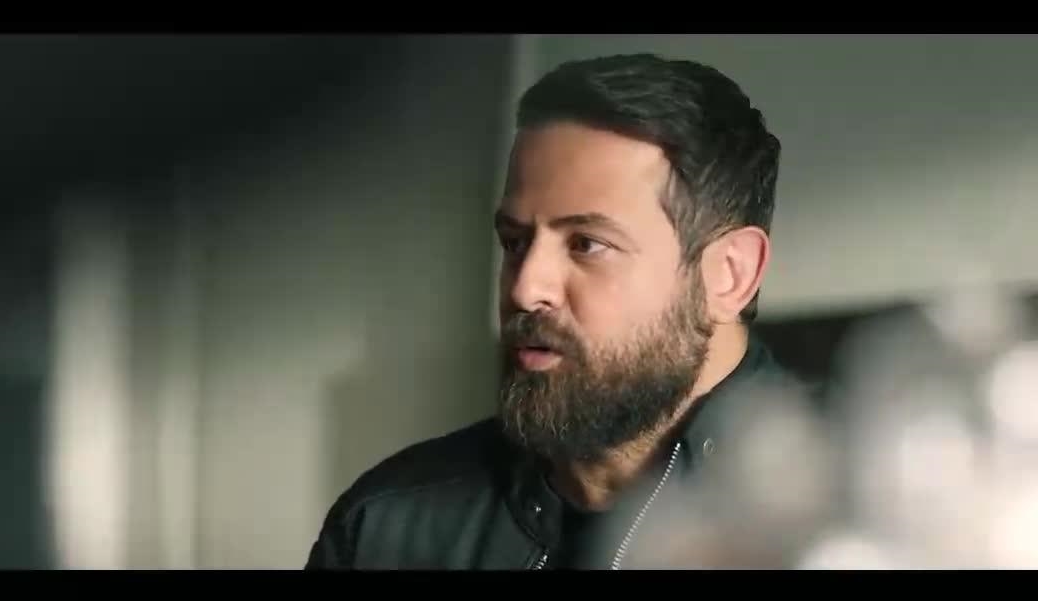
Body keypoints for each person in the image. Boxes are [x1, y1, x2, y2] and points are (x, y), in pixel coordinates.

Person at [305, 52, 824, 570]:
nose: (525, 289)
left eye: (586, 244)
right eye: (515, 242)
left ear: (730, 274)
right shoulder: (382, 527)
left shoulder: (843, 516)